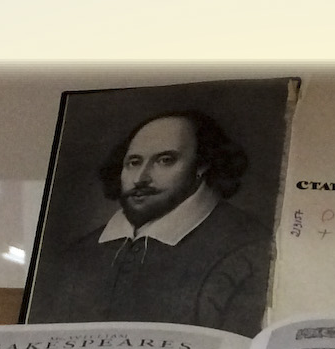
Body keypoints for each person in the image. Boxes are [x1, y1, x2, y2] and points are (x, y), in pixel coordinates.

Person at [36, 111, 272, 334]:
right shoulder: (79, 255)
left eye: (165, 160)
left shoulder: (250, 249)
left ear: (202, 165)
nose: (141, 178)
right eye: (134, 162)